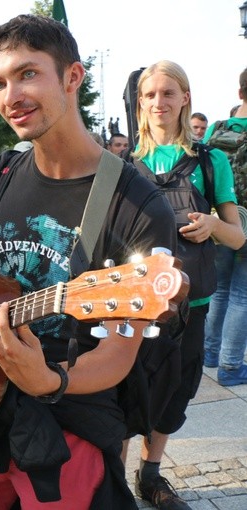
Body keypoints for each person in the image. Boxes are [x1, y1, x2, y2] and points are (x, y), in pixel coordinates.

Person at [0, 15, 178, 509]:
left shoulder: (135, 202)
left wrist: (51, 380)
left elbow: (117, 355)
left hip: (70, 421)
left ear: (73, 77)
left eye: (28, 74)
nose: (11, 96)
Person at [129, 61, 244, 510]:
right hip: (134, 305)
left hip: (192, 302)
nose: (160, 102)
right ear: (141, 102)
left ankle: (151, 477)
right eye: (151, 94)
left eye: (169, 93)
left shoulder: (211, 161)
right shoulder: (121, 164)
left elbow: (237, 236)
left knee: (175, 393)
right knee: (127, 394)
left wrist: (214, 223)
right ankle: (114, 482)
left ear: (185, 98)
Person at [202, 67, 247, 386]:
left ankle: (210, 353)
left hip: (219, 220)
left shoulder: (216, 128)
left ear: (240, 92)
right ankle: (231, 366)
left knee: (219, 290)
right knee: (243, 295)